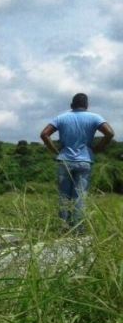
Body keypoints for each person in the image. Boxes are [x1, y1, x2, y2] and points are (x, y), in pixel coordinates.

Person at [40, 93, 115, 231]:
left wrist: (55, 151)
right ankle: (78, 229)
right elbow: (109, 133)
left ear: (71, 105)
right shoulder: (94, 117)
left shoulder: (61, 118)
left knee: (64, 195)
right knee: (80, 195)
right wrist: (98, 148)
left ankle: (63, 228)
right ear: (86, 105)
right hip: (85, 160)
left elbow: (44, 134)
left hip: (64, 161)